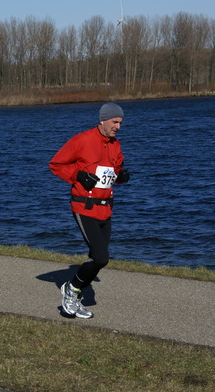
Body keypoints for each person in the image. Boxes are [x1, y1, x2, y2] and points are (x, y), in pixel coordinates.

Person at [49, 102, 130, 318]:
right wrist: (78, 176)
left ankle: (74, 299)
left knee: (99, 258)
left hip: (106, 209)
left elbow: (116, 168)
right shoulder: (81, 140)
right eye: (115, 122)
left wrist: (121, 175)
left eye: (120, 123)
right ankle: (71, 289)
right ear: (103, 120)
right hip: (84, 207)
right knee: (101, 257)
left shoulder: (115, 145)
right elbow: (56, 164)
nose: (118, 127)